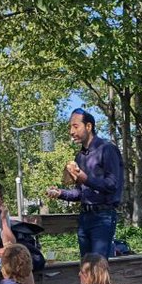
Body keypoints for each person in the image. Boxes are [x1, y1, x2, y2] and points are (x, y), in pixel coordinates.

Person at [46, 108, 124, 258]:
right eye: (70, 127)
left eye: (75, 126)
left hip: (103, 217)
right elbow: (80, 193)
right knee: (86, 268)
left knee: (98, 269)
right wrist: (60, 193)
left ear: (88, 127)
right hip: (84, 217)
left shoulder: (107, 149)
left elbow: (112, 184)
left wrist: (85, 178)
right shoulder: (80, 157)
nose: (71, 131)